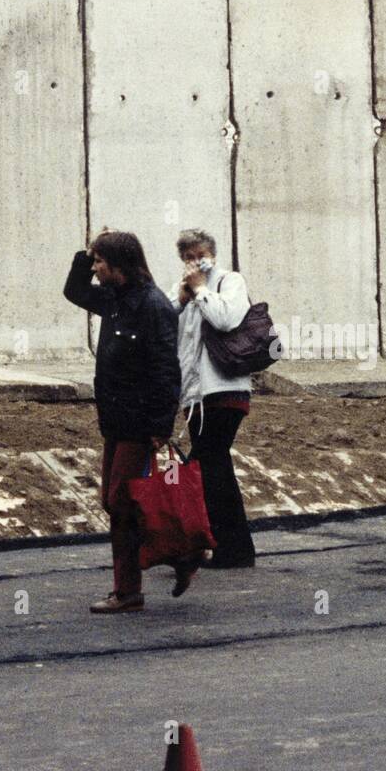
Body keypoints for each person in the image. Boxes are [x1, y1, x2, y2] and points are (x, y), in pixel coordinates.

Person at [63, 229, 185, 613]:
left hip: (139, 422)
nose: (96, 269)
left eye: (100, 261)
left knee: (120, 502)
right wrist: (85, 255)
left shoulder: (153, 306)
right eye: (95, 261)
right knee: (114, 501)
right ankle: (182, 554)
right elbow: (75, 292)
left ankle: (128, 590)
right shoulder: (113, 299)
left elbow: (167, 370)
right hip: (114, 421)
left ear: (119, 264)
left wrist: (159, 427)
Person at [167, 229, 257, 569]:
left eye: (200, 254)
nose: (195, 262)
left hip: (224, 389)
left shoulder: (229, 282)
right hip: (194, 397)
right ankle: (229, 547)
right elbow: (166, 332)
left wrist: (202, 290)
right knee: (212, 466)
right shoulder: (186, 293)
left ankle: (227, 547)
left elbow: (225, 319)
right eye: (188, 257)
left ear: (213, 255)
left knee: (207, 463)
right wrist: (180, 300)